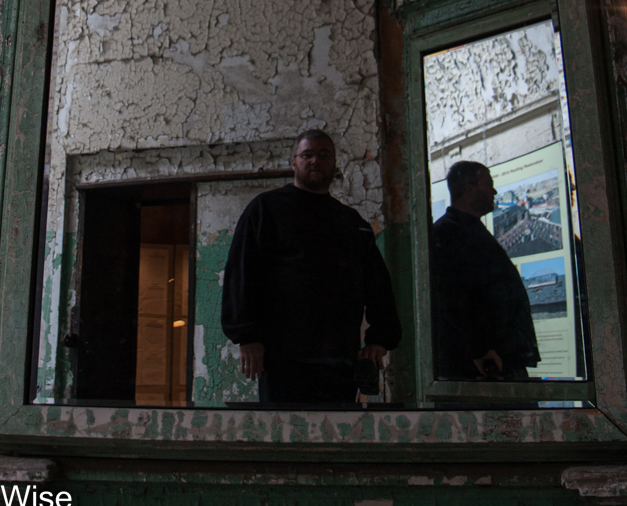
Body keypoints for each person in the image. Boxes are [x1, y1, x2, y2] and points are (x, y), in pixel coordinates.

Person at [221, 129, 402, 404]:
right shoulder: (265, 210)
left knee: (335, 437)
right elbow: (242, 274)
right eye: (307, 155)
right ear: (294, 162)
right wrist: (248, 337)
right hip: (282, 358)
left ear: (334, 163)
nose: (315, 161)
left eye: (323, 155)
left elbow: (377, 284)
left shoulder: (351, 223)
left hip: (339, 359)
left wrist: (380, 338)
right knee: (283, 436)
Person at [432, 160, 540, 380]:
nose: (494, 191)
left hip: (497, 360)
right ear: (469, 188)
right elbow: (452, 297)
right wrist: (480, 350)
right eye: (488, 184)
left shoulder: (468, 229)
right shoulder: (448, 233)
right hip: (481, 366)